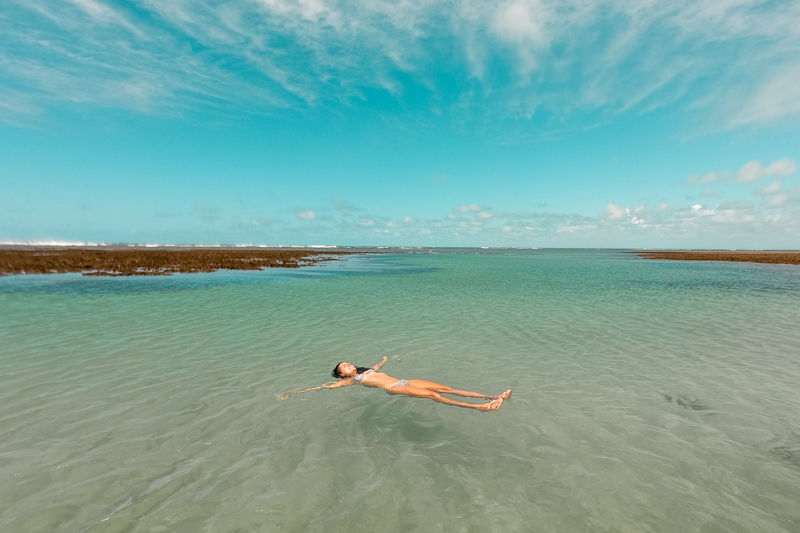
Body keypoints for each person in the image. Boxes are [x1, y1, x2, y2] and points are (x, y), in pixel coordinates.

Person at [324, 356, 511, 412]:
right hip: (393, 388)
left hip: (404, 381)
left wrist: (383, 361)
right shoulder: (351, 380)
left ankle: (495, 396)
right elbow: (331, 387)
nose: (348, 365)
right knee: (434, 395)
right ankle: (480, 407)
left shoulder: (366, 371)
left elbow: (376, 366)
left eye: (348, 363)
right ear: (342, 375)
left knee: (446, 388)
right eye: (344, 367)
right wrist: (313, 388)